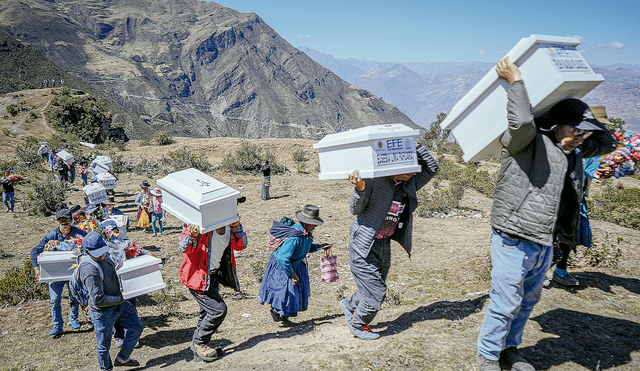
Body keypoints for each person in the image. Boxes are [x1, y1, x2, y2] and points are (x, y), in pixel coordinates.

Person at [475, 58, 617, 371]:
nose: (581, 137)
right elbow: (522, 121)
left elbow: (609, 143)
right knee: (505, 301)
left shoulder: (576, 150)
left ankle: (509, 350)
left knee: (526, 302)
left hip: (544, 241)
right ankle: (487, 356)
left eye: (584, 133)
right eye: (576, 130)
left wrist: (587, 119)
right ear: (555, 125)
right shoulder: (526, 143)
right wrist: (517, 81)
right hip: (513, 237)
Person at [340, 143, 438, 340]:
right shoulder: (374, 179)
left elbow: (432, 167)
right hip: (363, 244)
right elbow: (355, 209)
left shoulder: (409, 182)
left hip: (384, 243)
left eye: (415, 168)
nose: (413, 173)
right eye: (409, 169)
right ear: (397, 166)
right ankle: (358, 324)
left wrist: (413, 144)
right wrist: (359, 189)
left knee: (375, 284)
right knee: (377, 291)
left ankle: (349, 305)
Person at [178, 211, 247, 362]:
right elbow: (183, 247)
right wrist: (192, 235)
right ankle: (199, 343)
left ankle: (201, 347)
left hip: (213, 276)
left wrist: (236, 227)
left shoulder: (229, 225)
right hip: (197, 277)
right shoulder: (199, 223)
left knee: (206, 312)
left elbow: (241, 245)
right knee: (218, 310)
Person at [78, 232, 143, 370]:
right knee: (104, 345)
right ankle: (106, 368)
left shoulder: (105, 255)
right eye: (98, 253)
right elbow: (98, 300)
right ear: (87, 252)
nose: (102, 255)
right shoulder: (89, 269)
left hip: (119, 303)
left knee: (136, 327)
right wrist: (121, 298)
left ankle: (123, 358)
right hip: (103, 312)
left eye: (103, 251)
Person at [259, 205, 330, 327]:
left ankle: (285, 317)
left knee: (294, 292)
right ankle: (275, 313)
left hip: (294, 265)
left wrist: (320, 246)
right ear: (306, 223)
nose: (315, 226)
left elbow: (305, 248)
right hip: (283, 267)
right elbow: (283, 258)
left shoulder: (306, 233)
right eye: (313, 224)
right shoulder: (294, 237)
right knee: (283, 292)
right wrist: (292, 275)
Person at [31, 208, 87, 335]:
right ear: (57, 222)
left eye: (66, 220)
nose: (64, 223)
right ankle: (57, 325)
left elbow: (91, 245)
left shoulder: (80, 233)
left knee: (74, 296)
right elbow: (35, 250)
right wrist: (36, 268)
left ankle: (74, 319)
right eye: (61, 221)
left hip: (73, 272)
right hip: (54, 273)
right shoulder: (51, 235)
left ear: (71, 220)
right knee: (54, 299)